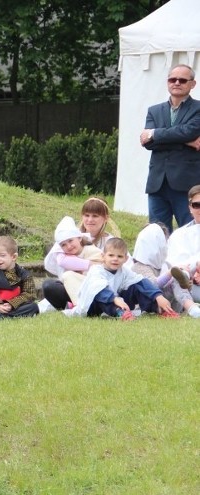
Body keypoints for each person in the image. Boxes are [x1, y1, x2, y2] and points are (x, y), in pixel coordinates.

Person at [140, 64, 200, 231]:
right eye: (172, 79)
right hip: (157, 183)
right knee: (157, 233)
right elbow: (148, 143)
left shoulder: (198, 109)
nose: (177, 83)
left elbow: (189, 131)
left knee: (191, 231)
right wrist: (186, 141)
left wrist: (155, 133)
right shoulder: (154, 110)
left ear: (192, 84)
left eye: (182, 80)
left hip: (187, 184)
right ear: (167, 82)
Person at [67, 238, 176, 320]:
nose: (115, 259)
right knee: (101, 294)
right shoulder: (96, 271)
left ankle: (159, 309)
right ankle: (121, 314)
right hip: (93, 307)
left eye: (119, 256)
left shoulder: (123, 271)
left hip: (118, 301)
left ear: (126, 259)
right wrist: (115, 299)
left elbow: (141, 281)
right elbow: (99, 290)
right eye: (111, 255)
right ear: (103, 256)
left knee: (137, 285)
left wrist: (158, 296)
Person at [41, 216, 103, 311]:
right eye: (63, 245)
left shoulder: (92, 251)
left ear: (79, 238)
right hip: (74, 292)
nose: (69, 246)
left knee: (68, 275)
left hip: (93, 292)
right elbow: (61, 262)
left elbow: (101, 274)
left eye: (70, 241)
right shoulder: (65, 257)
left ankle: (82, 307)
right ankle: (68, 306)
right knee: (48, 286)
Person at [0, 235, 38, 320]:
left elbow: (29, 294)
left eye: (2, 255)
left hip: (16, 307)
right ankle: (4, 316)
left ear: (14, 257)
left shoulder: (23, 274)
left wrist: (11, 304)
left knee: (33, 307)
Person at [166, 184, 200, 318]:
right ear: (190, 208)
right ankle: (193, 310)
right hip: (189, 287)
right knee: (177, 278)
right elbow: (172, 264)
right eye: (196, 205)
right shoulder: (179, 235)